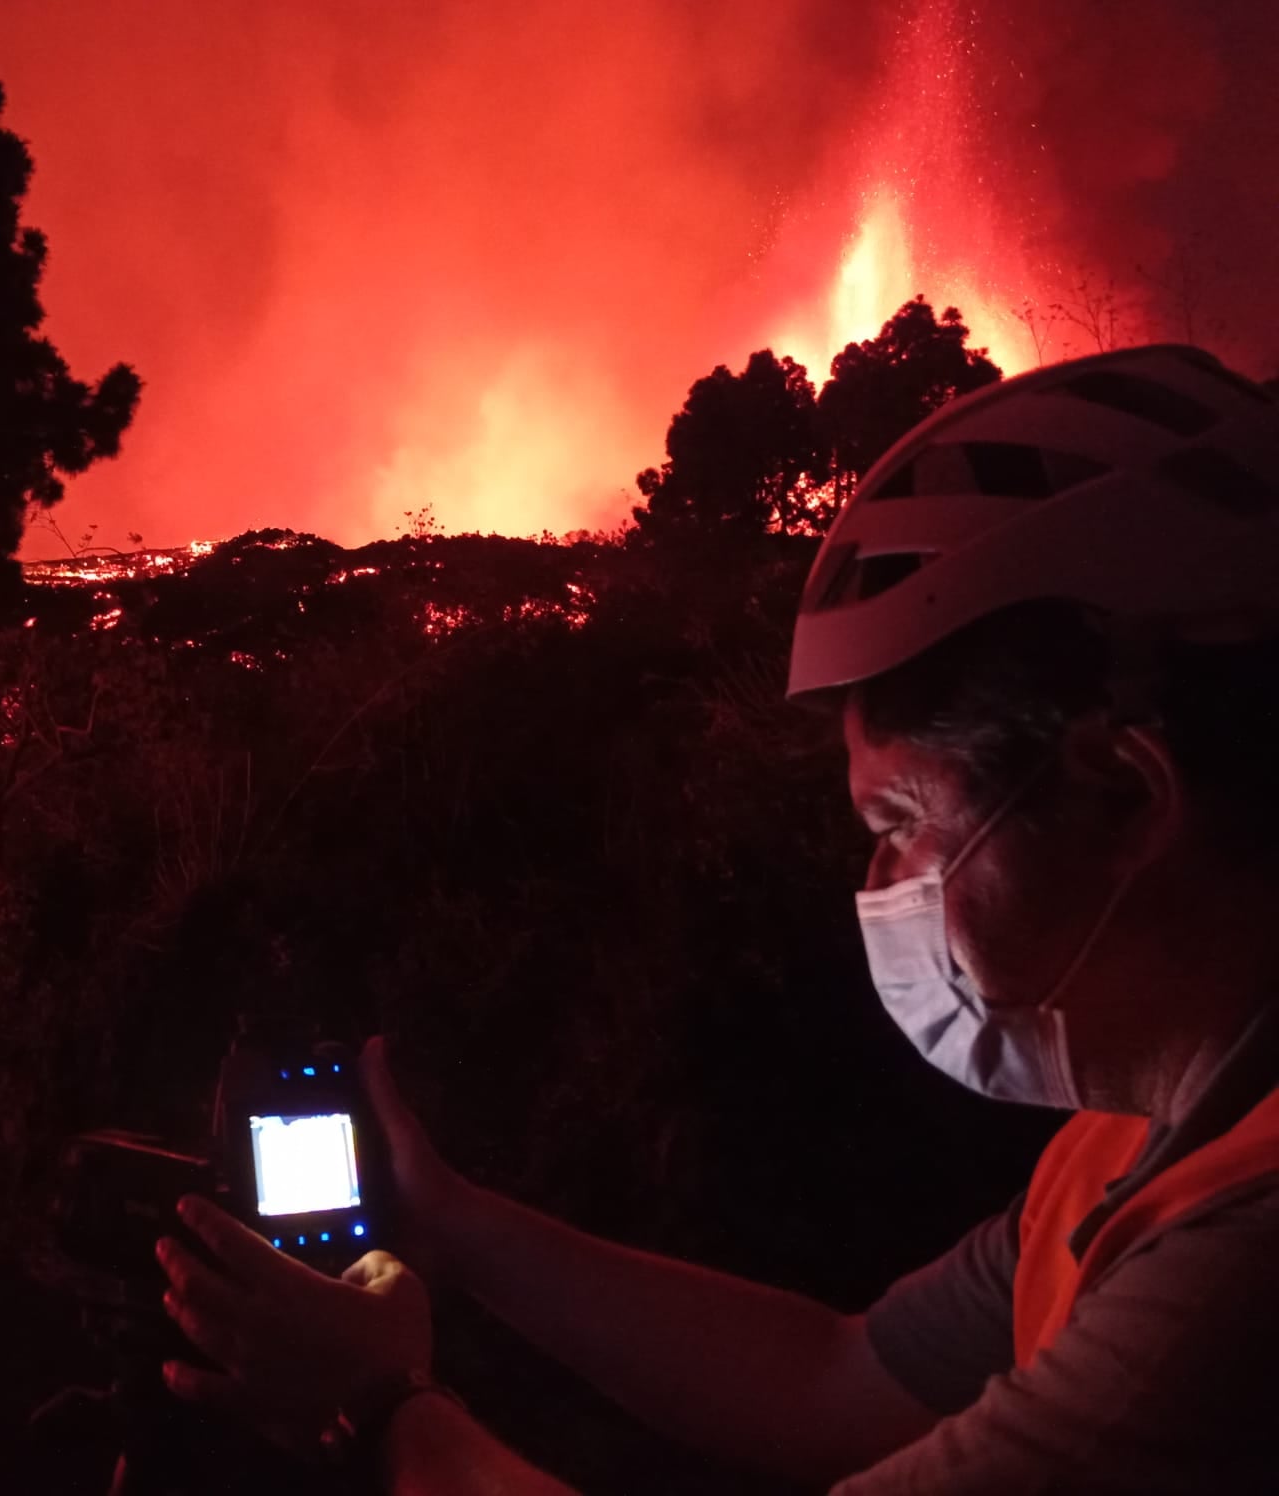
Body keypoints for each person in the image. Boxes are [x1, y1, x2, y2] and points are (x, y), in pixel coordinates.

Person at [154, 343, 1279, 1492]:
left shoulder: (1240, 1267)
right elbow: (837, 1379)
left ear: (1122, 794)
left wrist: (381, 1409)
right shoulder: (1126, 1144)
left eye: (901, 818)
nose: (881, 878)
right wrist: (454, 1227)